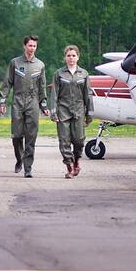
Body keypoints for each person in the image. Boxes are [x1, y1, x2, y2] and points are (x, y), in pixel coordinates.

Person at [0, 35, 49, 178]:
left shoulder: (40, 65)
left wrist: (43, 104)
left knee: (31, 136)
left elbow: (42, 87)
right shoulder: (15, 63)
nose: (32, 48)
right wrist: (2, 101)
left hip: (33, 102)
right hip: (18, 101)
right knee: (16, 135)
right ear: (24, 46)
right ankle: (19, 158)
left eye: (34, 46)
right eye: (30, 45)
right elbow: (7, 83)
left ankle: (28, 167)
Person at [51, 44, 93, 178]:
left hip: (79, 110)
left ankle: (76, 161)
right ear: (65, 57)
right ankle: (69, 166)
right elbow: (54, 94)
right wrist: (53, 112)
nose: (71, 58)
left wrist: (89, 113)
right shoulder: (59, 74)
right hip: (63, 110)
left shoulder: (84, 74)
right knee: (64, 140)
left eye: (73, 55)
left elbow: (88, 94)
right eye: (68, 55)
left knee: (79, 140)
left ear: (78, 57)